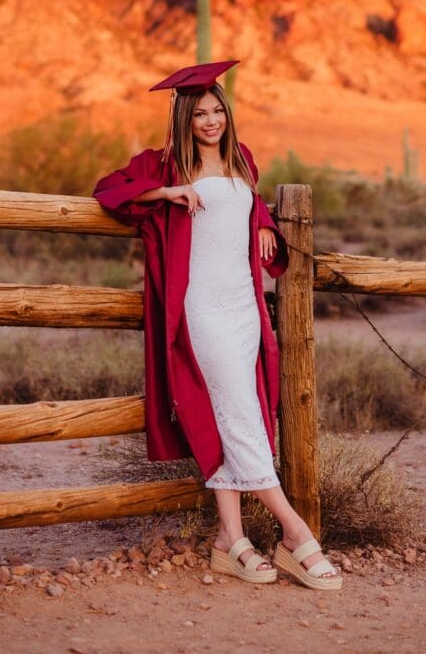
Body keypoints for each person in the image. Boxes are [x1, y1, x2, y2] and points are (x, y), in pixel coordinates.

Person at [94, 59, 344, 590]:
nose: (211, 122)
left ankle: (229, 539)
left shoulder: (242, 161)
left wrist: (266, 226)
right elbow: (108, 191)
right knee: (237, 412)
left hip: (243, 306)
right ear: (184, 118)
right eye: (200, 114)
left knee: (239, 411)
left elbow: (249, 211)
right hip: (201, 308)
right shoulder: (162, 165)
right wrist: (163, 194)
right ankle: (294, 531)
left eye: (217, 112)